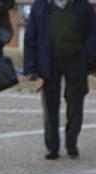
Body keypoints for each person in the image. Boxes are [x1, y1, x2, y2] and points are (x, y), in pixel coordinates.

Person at [23, 0, 96, 160]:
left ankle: (71, 142)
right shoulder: (40, 6)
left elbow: (93, 31)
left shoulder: (82, 5)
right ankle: (52, 147)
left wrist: (87, 53)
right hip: (48, 60)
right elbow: (30, 37)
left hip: (76, 59)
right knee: (50, 106)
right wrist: (30, 67)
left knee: (75, 103)